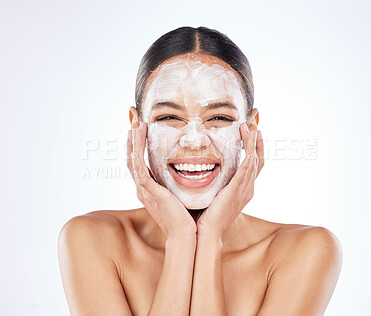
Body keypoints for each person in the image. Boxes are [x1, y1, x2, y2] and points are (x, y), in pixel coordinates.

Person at [58, 26, 342, 316]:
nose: (194, 141)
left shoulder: (304, 251)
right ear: (137, 126)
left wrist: (209, 238)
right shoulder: (91, 239)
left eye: (219, 117)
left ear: (251, 128)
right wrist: (181, 239)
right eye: (169, 116)